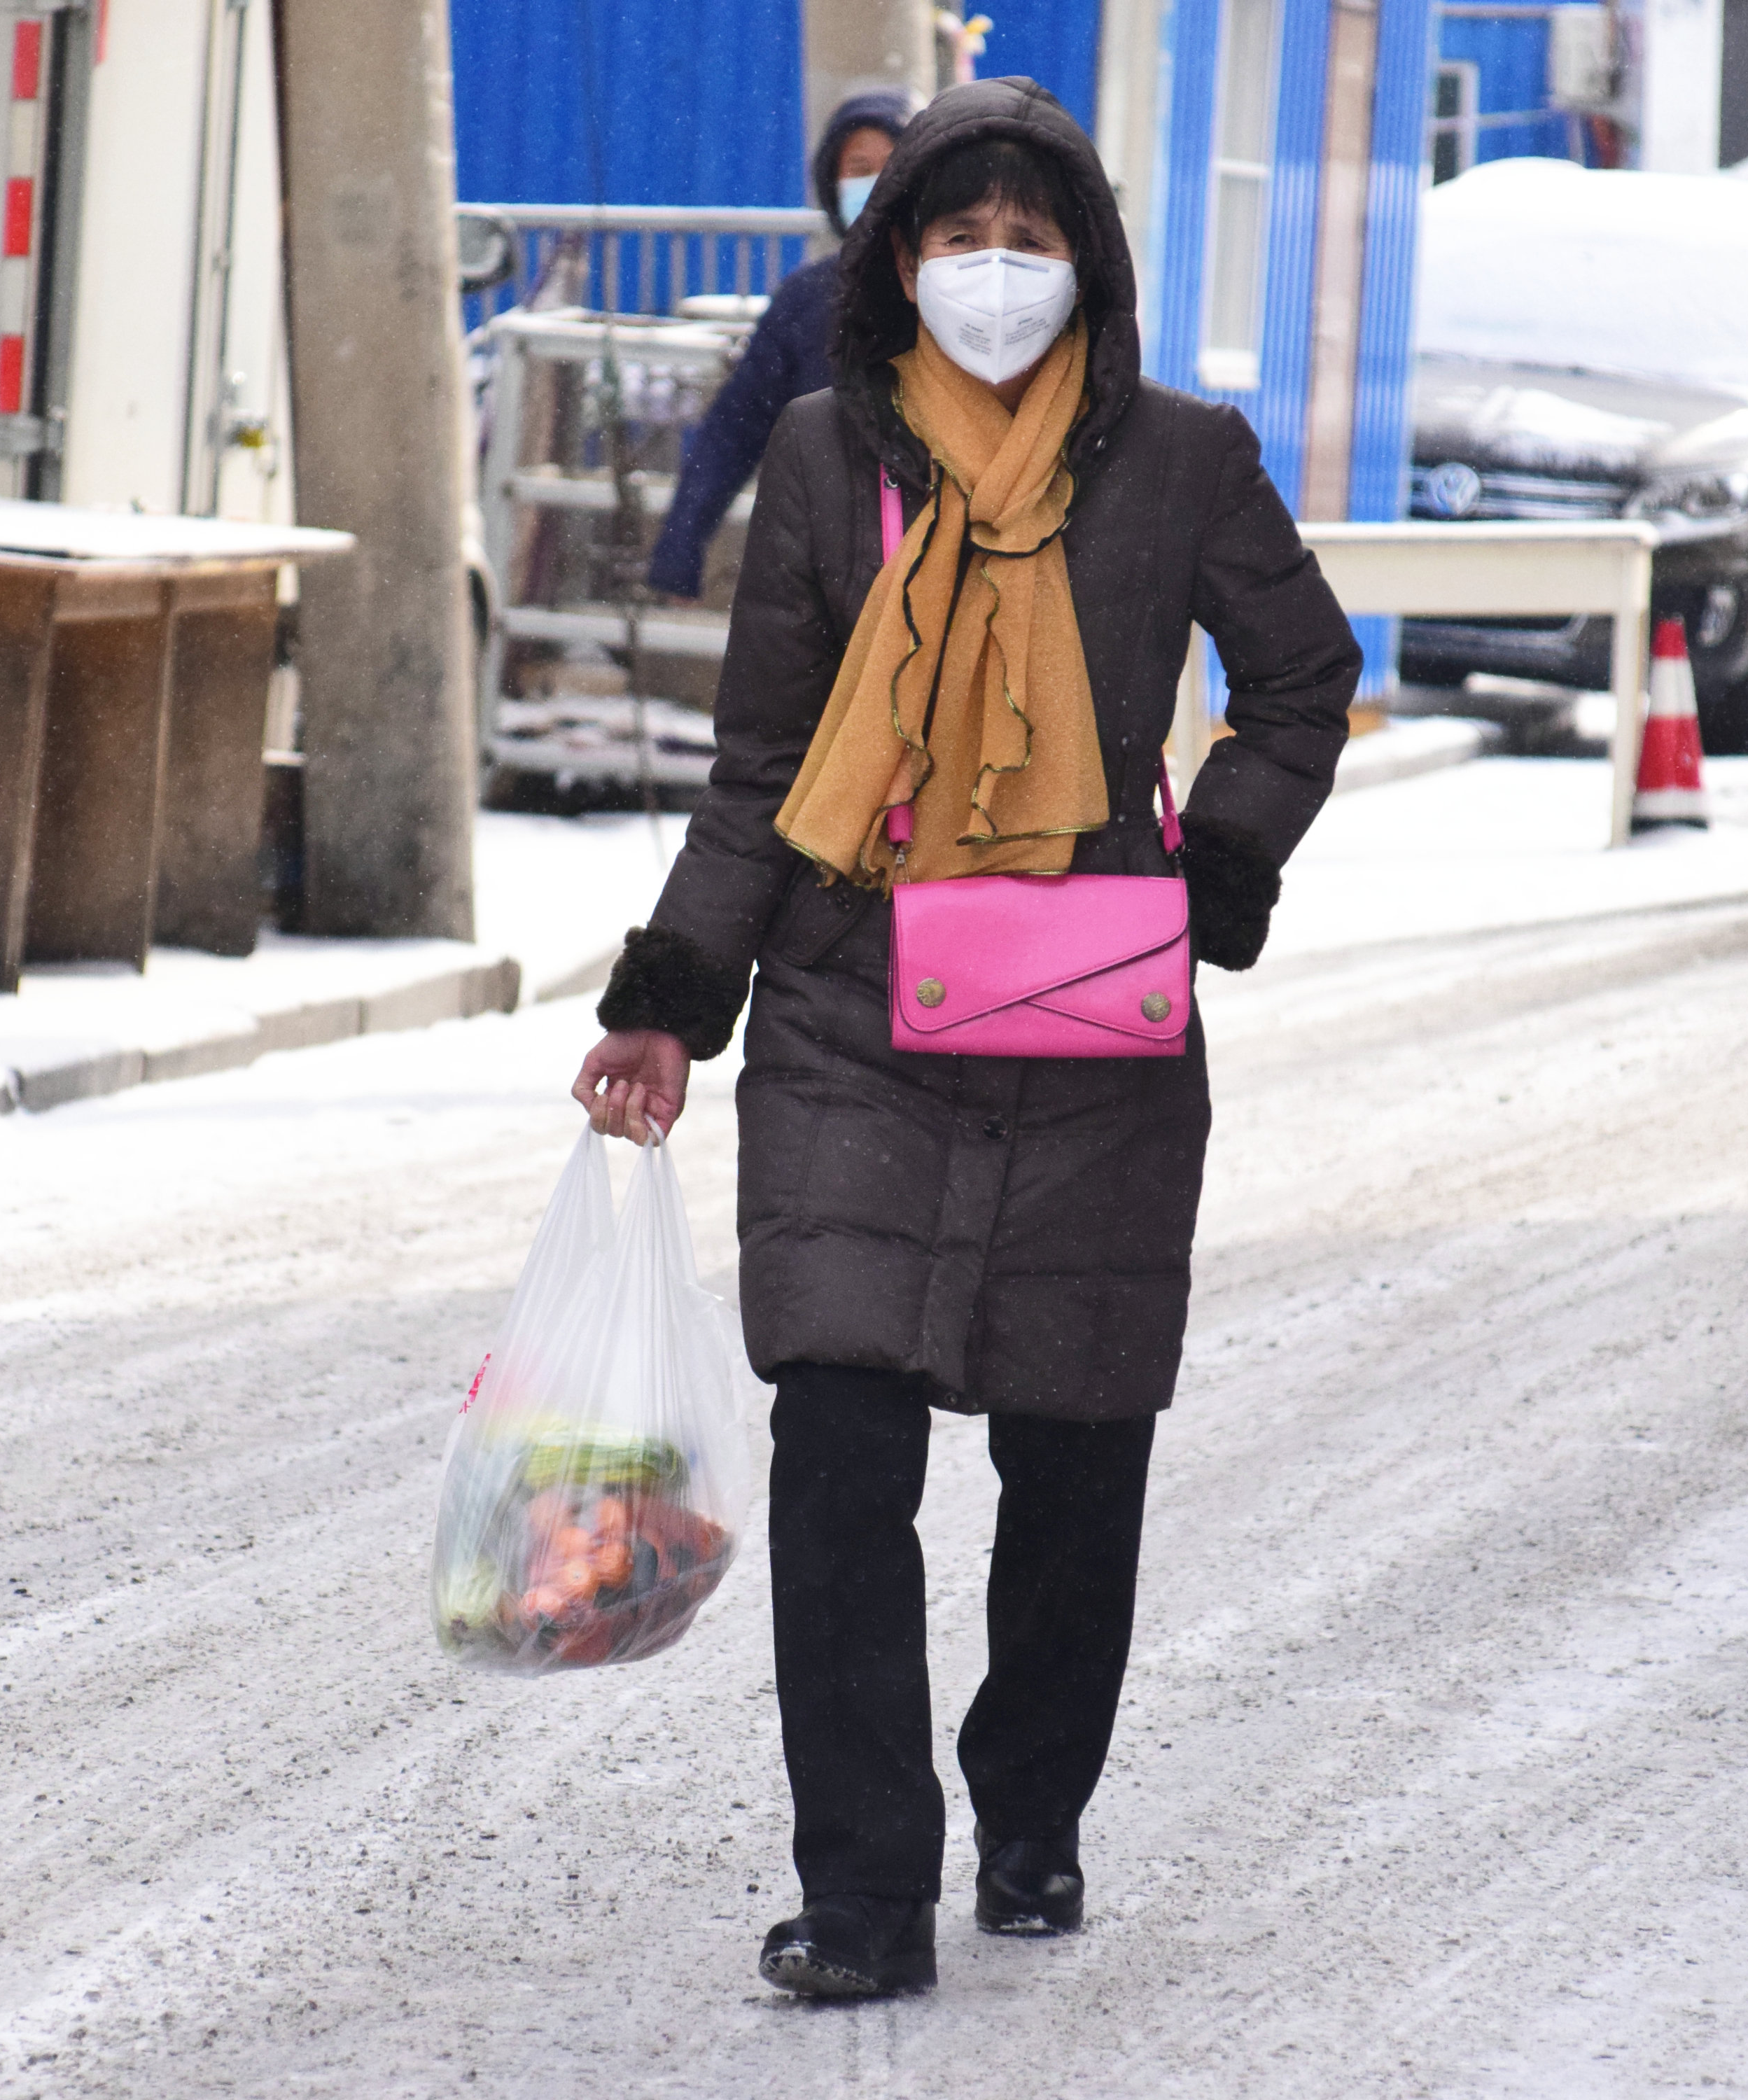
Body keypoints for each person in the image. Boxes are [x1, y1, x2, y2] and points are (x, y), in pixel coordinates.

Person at [571, 78, 1362, 1998]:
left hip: (1097, 1015)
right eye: (952, 239)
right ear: (892, 263)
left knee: (1074, 1466)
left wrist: (1214, 875)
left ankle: (1032, 1817)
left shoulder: (1178, 462)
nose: (992, 275)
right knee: (840, 1449)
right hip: (858, 1000)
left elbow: (1305, 680)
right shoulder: (834, 464)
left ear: (1083, 260)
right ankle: (862, 1896)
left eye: (1027, 241)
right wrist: (678, 999)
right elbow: (762, 772)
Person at [642, 91, 911, 604]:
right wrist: (681, 541)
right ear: (833, 186)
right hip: (825, 564)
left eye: (892, 164)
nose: (875, 183)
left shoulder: (956, 294)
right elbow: (735, 426)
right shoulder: (807, 301)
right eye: (858, 167)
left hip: (935, 563)